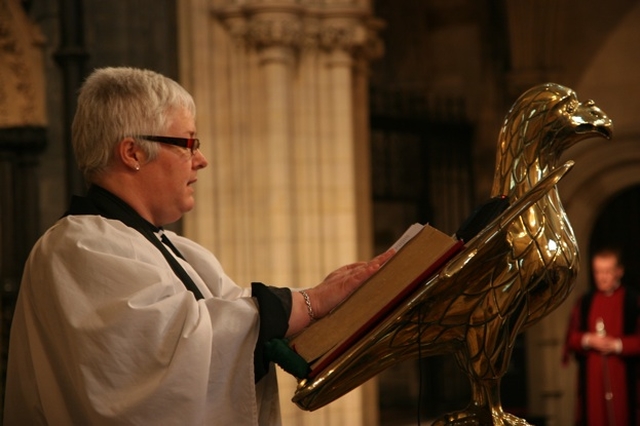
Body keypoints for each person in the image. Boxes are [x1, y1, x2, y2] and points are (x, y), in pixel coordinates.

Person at [3, 67, 394, 425]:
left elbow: (237, 326)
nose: (201, 160)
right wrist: (310, 301)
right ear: (133, 152)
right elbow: (157, 361)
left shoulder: (180, 251)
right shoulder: (78, 247)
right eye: (188, 142)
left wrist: (331, 308)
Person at [563, 247, 640, 426]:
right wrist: (588, 340)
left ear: (619, 271)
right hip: (593, 382)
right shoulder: (585, 302)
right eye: (598, 272)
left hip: (622, 379)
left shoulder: (632, 300)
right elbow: (571, 338)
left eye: (607, 271)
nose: (602, 277)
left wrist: (618, 345)